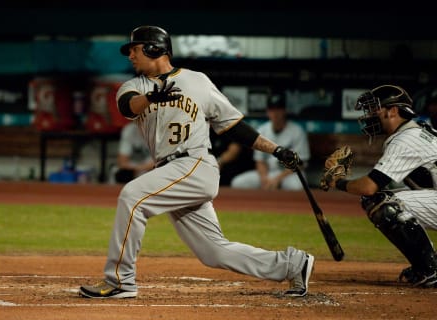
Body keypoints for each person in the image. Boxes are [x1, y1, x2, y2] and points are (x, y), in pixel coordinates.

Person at [79, 25, 314, 299]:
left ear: (155, 49)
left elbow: (234, 127)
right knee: (213, 252)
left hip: (194, 164)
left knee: (132, 197)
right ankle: (293, 264)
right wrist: (152, 97)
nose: (130, 55)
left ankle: (120, 281)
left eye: (135, 49)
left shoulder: (197, 81)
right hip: (171, 171)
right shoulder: (134, 86)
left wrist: (276, 150)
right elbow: (127, 106)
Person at [324, 84, 437, 287]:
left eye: (375, 109)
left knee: (384, 205)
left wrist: (338, 182)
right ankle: (427, 266)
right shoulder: (415, 132)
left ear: (392, 111)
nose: (370, 115)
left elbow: (369, 187)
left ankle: (430, 270)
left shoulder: (406, 140)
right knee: (387, 200)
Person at [230, 94, 310, 190]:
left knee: (297, 187)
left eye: (278, 109)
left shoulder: (297, 131)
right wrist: (264, 178)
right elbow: (260, 160)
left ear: (284, 111)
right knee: (238, 183)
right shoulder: (262, 130)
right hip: (268, 173)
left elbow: (301, 163)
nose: (275, 113)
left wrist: (277, 179)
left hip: (289, 174)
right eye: (272, 110)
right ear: (268, 112)